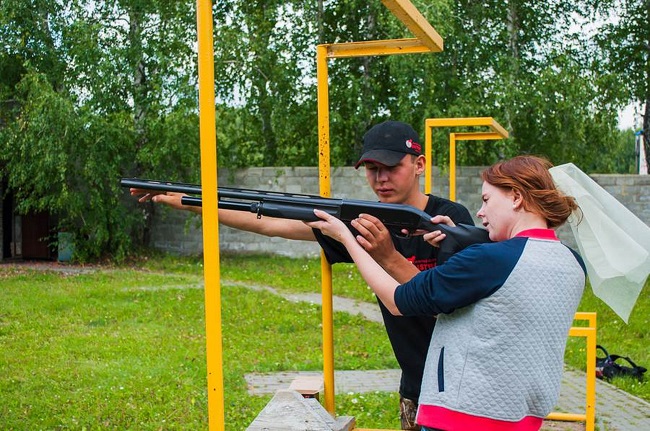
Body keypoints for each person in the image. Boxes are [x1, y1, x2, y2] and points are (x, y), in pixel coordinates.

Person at [130, 120, 474, 430]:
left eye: (391, 167)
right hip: (416, 384)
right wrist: (186, 200)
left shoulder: (450, 219)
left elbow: (448, 305)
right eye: (371, 168)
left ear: (418, 165)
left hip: (463, 382)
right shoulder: (366, 221)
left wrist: (389, 256)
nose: (380, 178)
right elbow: (275, 222)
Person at [306, 155, 586, 431]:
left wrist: (347, 238)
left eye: (487, 200)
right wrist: (455, 241)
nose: (479, 212)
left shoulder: (490, 260)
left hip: (461, 416)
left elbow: (397, 300)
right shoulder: (572, 262)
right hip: (523, 417)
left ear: (516, 197)